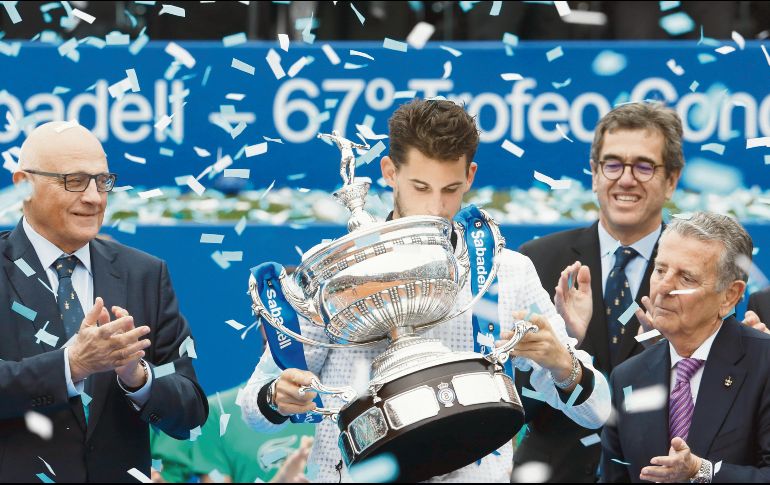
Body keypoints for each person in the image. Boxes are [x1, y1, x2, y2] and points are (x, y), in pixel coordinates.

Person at [241, 99, 611, 482]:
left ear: (470, 176)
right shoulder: (336, 274)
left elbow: (597, 411)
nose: (436, 207)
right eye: (420, 187)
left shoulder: (505, 271)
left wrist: (563, 365)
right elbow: (253, 410)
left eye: (451, 189)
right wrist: (276, 397)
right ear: (390, 171)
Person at [0, 121, 208, 482]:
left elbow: (191, 413)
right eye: (75, 181)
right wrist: (71, 365)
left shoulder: (145, 273)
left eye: (102, 181)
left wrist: (139, 379)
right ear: (24, 186)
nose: (95, 198)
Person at [515, 101, 684, 481]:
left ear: (671, 180)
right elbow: (518, 403)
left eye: (644, 166)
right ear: (594, 174)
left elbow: (714, 403)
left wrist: (668, 351)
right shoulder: (537, 260)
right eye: (613, 164)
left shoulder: (693, 271)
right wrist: (564, 347)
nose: (626, 179)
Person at [601, 212, 770, 483]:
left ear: (730, 296)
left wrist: (700, 471)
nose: (664, 287)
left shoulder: (763, 364)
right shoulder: (628, 376)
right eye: (660, 270)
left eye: (686, 278)